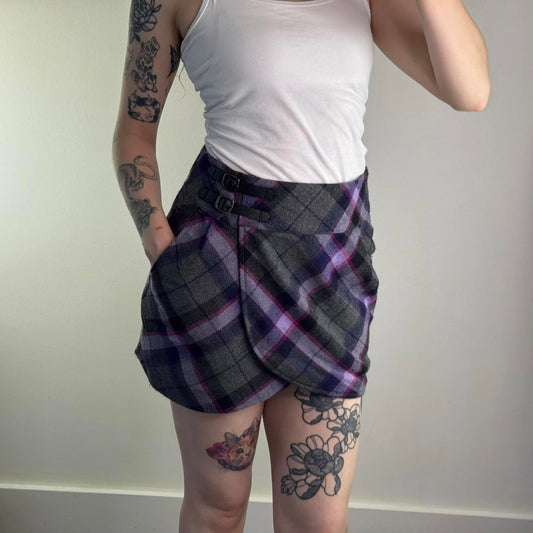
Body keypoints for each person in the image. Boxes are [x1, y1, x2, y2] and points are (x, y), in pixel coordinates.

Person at [112, 0, 490, 531]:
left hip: (333, 269)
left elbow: (470, 92)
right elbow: (133, 132)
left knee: (318, 521)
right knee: (219, 505)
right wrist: (163, 252)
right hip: (217, 262)